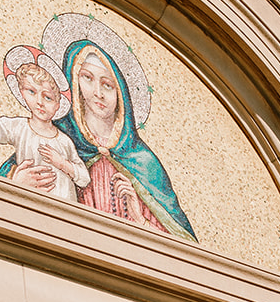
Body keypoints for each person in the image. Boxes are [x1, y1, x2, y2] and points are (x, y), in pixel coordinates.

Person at [58, 40, 196, 240]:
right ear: (72, 81)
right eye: (87, 78)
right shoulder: (59, 141)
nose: (99, 93)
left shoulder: (143, 162)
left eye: (108, 85)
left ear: (121, 93)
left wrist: (140, 219)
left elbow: (186, 249)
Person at [0, 59, 91, 203]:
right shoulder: (21, 127)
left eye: (47, 97)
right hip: (33, 201)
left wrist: (62, 163)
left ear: (57, 105)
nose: (40, 102)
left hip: (64, 205)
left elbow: (84, 178)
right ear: (22, 93)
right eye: (32, 92)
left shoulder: (64, 141)